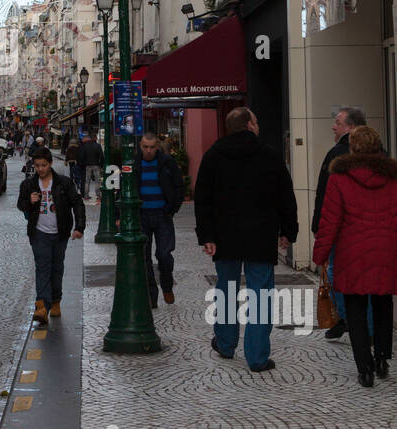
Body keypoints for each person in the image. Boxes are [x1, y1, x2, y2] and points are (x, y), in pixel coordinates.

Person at [194, 107, 298, 372]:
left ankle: (226, 344)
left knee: (226, 291)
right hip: (260, 236)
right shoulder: (269, 156)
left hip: (225, 237)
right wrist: (288, 231)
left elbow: (203, 199)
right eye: (257, 120)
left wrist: (206, 235)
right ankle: (257, 357)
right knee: (261, 295)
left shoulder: (214, 156)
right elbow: (286, 197)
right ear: (250, 125)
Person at [312, 125, 397, 387]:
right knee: (383, 304)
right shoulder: (393, 176)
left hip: (352, 253)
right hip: (386, 250)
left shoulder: (340, 177)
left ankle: (365, 368)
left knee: (356, 310)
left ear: (353, 147)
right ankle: (382, 357)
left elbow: (330, 221)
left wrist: (320, 255)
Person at [311, 105, 365, 342]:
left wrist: (318, 225)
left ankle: (346, 318)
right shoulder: (379, 154)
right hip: (368, 231)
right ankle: (367, 327)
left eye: (339, 123)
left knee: (336, 271)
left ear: (352, 127)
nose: (333, 126)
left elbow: (325, 195)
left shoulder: (337, 154)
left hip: (344, 230)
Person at [18, 148, 85, 324]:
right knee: (42, 268)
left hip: (60, 232)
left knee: (57, 268)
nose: (40, 169)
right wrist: (29, 202)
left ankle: (55, 301)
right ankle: (42, 307)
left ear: (50, 164)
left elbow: (77, 203)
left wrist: (79, 227)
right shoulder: (28, 185)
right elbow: (20, 204)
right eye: (37, 165)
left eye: (43, 165)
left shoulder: (63, 183)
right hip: (39, 233)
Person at [134, 132, 185, 308]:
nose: (148, 151)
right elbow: (126, 187)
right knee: (144, 257)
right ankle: (151, 295)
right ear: (140, 146)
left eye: (152, 147)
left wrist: (172, 209)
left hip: (163, 215)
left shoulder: (167, 162)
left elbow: (179, 186)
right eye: (145, 147)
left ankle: (167, 286)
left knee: (164, 254)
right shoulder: (134, 163)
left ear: (157, 146)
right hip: (142, 216)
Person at [77, 131, 103, 203]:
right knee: (97, 181)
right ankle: (98, 196)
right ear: (95, 138)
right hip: (96, 165)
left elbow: (82, 156)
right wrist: (102, 165)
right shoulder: (98, 146)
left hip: (87, 165)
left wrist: (83, 163)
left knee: (87, 181)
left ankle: (86, 196)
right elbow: (101, 156)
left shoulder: (85, 146)